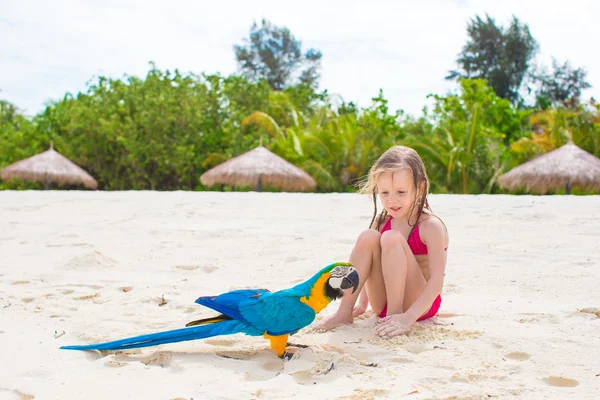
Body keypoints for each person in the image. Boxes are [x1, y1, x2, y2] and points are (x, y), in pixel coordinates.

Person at [314, 145, 449, 337]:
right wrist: (362, 302)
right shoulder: (383, 221)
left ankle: (395, 316)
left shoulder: (431, 226)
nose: (392, 200)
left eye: (401, 192)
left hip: (419, 306)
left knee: (391, 239)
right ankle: (344, 311)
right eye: (384, 193)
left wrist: (408, 318)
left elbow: (437, 282)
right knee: (368, 236)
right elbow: (368, 263)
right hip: (383, 303)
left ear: (420, 188)